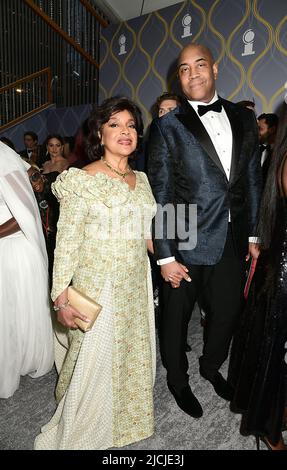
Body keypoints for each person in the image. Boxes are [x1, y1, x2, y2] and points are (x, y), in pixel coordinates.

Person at [34, 96, 157, 450]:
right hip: (98, 283)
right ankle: (87, 428)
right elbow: (67, 241)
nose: (125, 131)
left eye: (131, 125)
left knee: (130, 354)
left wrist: (168, 261)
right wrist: (60, 298)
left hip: (136, 282)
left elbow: (144, 233)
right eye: (115, 124)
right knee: (94, 360)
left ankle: (126, 421)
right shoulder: (83, 179)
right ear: (99, 134)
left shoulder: (143, 179)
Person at [147, 43, 262, 418]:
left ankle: (211, 367)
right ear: (178, 78)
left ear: (215, 69)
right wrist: (165, 254)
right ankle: (178, 381)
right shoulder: (167, 125)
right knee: (176, 319)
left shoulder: (244, 119)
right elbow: (162, 193)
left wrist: (253, 233)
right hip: (185, 236)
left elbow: (251, 180)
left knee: (227, 313)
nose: (193, 73)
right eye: (184, 69)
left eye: (200, 65)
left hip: (230, 237)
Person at [229, 102, 287, 450]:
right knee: (276, 348)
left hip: (277, 260)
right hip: (283, 268)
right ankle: (268, 425)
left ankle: (277, 410)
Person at [0, 141, 54, 399]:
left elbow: (25, 213)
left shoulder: (5, 160)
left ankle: (21, 357)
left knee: (16, 309)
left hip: (15, 248)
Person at [257, 113, 279, 186]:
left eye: (260, 129)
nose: (257, 132)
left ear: (272, 129)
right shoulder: (257, 149)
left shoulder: (281, 152)